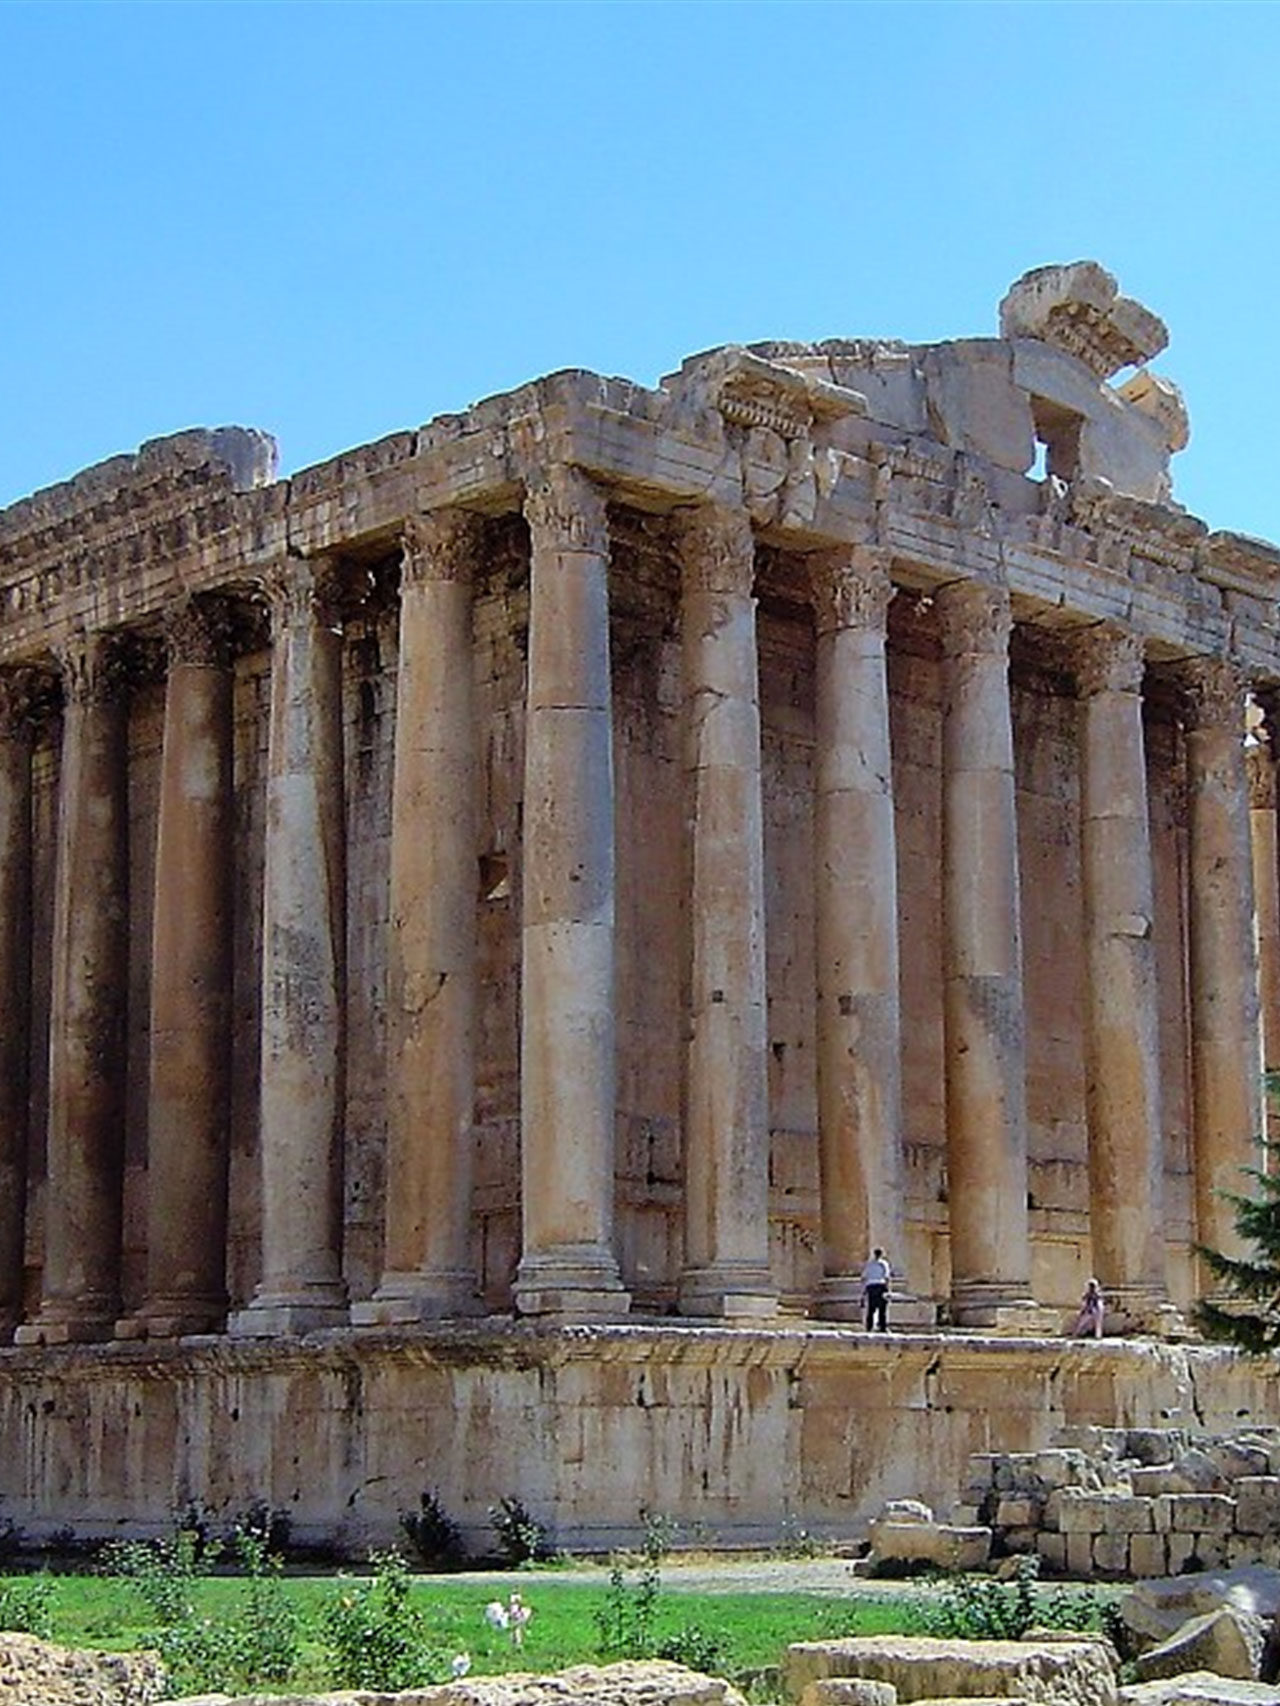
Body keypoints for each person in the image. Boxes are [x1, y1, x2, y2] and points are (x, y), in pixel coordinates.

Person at [862, 1247, 891, 1332]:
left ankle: (869, 1327)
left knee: (871, 1308)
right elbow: (886, 1277)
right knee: (882, 1308)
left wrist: (863, 1291)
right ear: (881, 1254)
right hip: (880, 1286)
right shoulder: (884, 1264)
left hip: (870, 1286)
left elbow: (864, 1277)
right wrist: (888, 1290)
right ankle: (883, 1327)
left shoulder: (869, 1264)